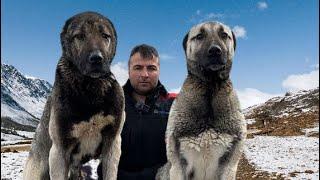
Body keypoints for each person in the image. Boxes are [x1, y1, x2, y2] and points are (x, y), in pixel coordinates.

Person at [97, 44, 176, 180]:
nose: (144, 74)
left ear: (159, 71)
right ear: (129, 70)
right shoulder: (108, 103)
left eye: (151, 68)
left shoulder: (174, 105)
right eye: (138, 68)